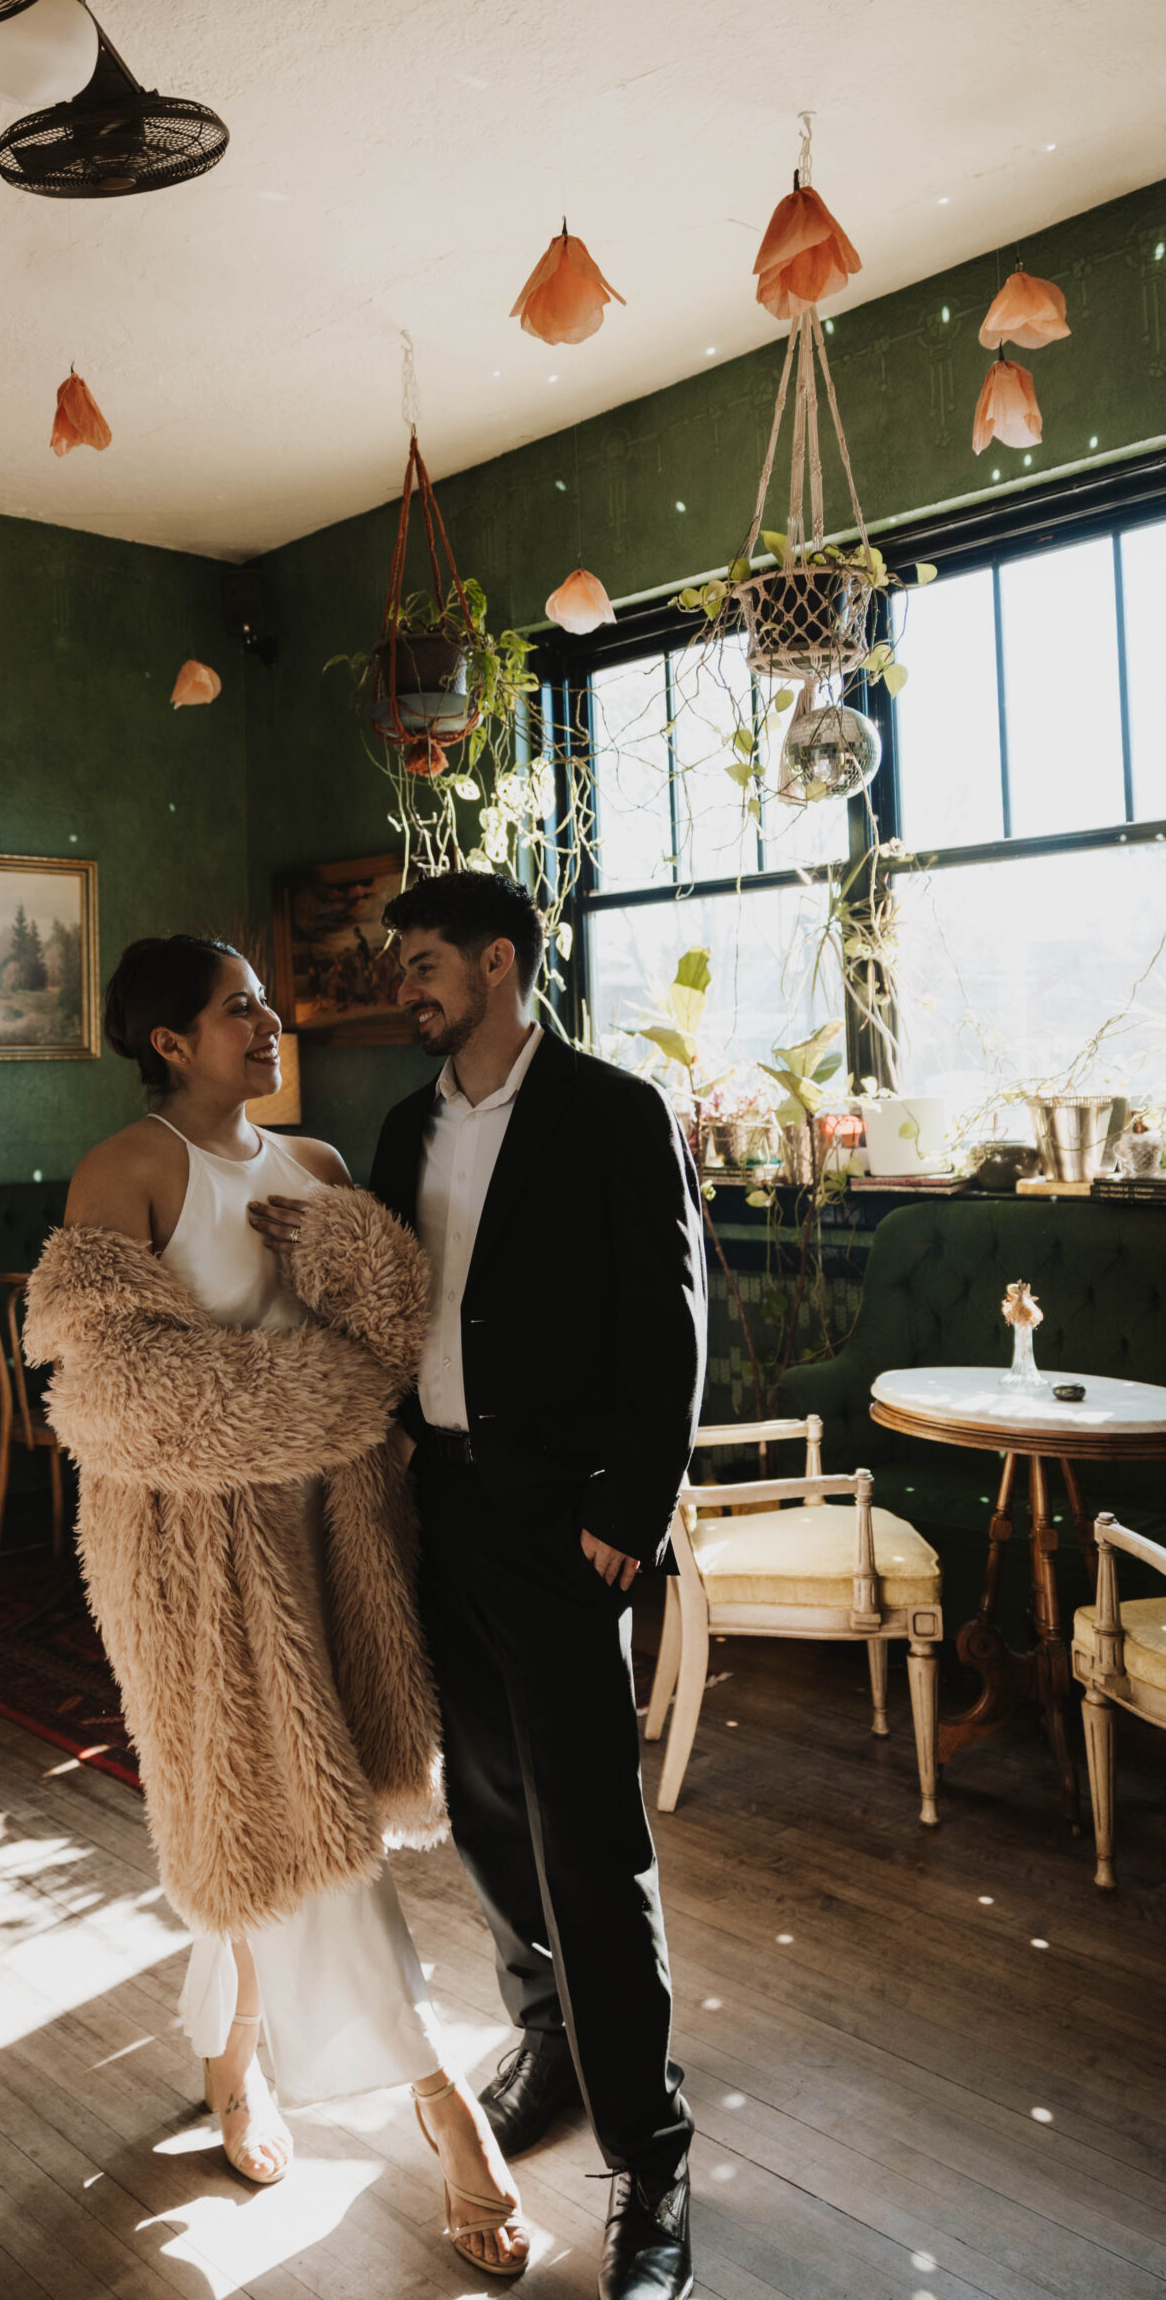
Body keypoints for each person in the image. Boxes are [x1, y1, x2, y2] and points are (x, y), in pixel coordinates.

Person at [24, 934, 531, 2278]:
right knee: (294, 1823)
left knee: (280, 1814)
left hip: (337, 1544)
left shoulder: (313, 1170)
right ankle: (446, 2109)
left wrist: (351, 1325)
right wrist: (317, 1402)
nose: (270, 1020)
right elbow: (113, 1401)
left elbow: (392, 1345)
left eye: (264, 1000)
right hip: (189, 1562)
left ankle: (231, 2056)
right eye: (237, 1007)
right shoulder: (126, 1172)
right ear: (170, 1042)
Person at [369, 871, 707, 2300]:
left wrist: (629, 1513)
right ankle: (551, 2041)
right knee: (491, 1813)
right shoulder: (404, 1128)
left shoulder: (616, 1114)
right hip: (440, 1515)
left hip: (571, 1532)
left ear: (500, 964)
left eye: (429, 962)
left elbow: (671, 1324)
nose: (409, 986)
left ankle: (651, 2157)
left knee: (592, 1845)